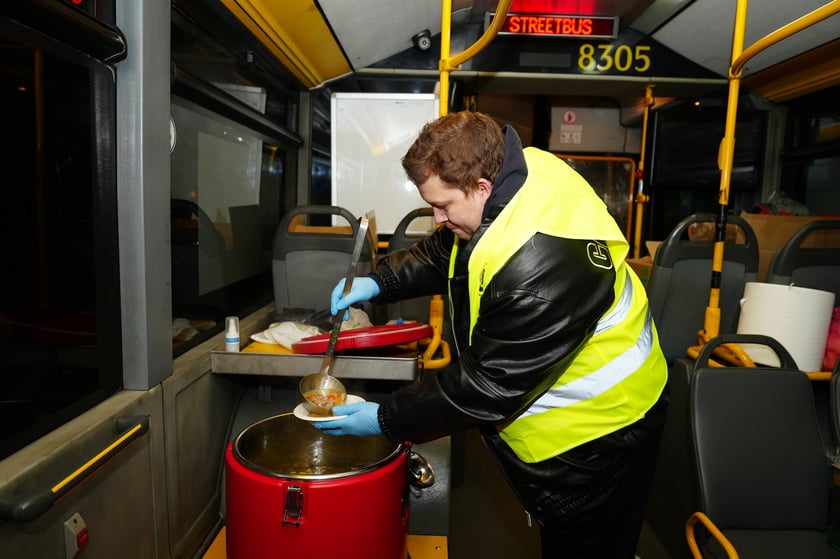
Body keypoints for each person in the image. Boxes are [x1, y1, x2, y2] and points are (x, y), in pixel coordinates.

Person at [315, 110, 668, 558]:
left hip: (603, 432)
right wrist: (382, 280)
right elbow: (450, 246)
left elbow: (483, 387)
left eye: (443, 206)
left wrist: (386, 418)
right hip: (588, 407)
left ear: (482, 187)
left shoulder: (538, 273)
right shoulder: (515, 171)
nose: (438, 218)